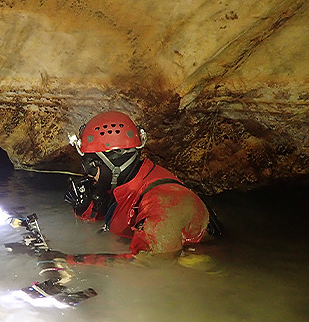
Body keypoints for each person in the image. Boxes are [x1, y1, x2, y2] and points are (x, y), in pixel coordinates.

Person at [60, 110, 215, 266]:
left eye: (91, 166)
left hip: (197, 269)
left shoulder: (165, 201)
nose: (87, 174)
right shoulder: (128, 183)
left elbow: (151, 262)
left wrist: (69, 261)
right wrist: (86, 208)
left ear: (114, 163)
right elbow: (113, 214)